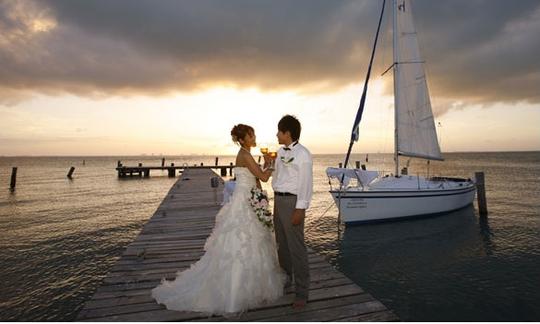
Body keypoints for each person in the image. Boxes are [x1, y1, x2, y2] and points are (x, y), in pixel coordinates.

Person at [151, 124, 286, 315]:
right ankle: (234, 292)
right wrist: (271, 163)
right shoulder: (245, 155)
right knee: (243, 242)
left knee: (246, 242)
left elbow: (256, 178)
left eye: (253, 134)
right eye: (250, 135)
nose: (254, 137)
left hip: (246, 200)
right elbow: (264, 178)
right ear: (242, 139)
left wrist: (265, 165)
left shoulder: (245, 154)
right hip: (245, 203)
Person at [271, 115, 313, 309]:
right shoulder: (279, 152)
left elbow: (306, 184)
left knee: (296, 247)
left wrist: (300, 208)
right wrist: (269, 162)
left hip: (292, 202)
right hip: (278, 200)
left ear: (287, 133)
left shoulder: (303, 154)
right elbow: (276, 175)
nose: (277, 134)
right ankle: (286, 279)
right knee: (282, 244)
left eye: (279, 131)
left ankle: (302, 292)